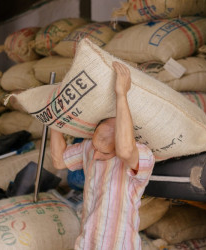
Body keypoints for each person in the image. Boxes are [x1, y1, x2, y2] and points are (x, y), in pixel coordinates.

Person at [50, 61, 155, 250]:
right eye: (96, 146)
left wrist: (121, 94)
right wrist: (53, 118)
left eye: (105, 151)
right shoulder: (90, 147)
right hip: (87, 243)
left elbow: (124, 149)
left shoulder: (143, 156)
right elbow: (59, 161)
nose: (95, 155)